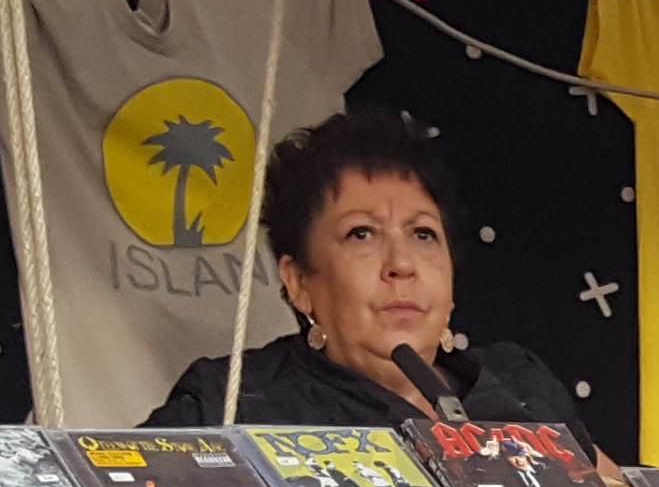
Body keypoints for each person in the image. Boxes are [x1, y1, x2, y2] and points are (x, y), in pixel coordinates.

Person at [150, 106, 594, 436]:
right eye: (361, 234)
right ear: (299, 282)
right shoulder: (233, 402)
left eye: (423, 234)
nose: (401, 265)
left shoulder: (518, 384)